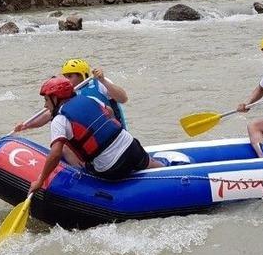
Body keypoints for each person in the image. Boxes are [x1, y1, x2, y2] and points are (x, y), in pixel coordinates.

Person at [28, 77, 164, 193]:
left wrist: (40, 180)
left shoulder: (59, 119)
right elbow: (110, 112)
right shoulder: (89, 98)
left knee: (69, 152)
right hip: (130, 144)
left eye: (46, 100)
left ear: (55, 98)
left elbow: (56, 154)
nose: (45, 105)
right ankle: (165, 170)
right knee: (150, 164)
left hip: (110, 166)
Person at [15, 58, 129, 132]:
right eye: (65, 76)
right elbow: (49, 114)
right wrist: (26, 125)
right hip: (94, 134)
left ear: (82, 75)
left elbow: (123, 98)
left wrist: (103, 80)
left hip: (114, 130)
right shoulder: (66, 93)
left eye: (70, 76)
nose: (66, 80)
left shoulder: (99, 83)